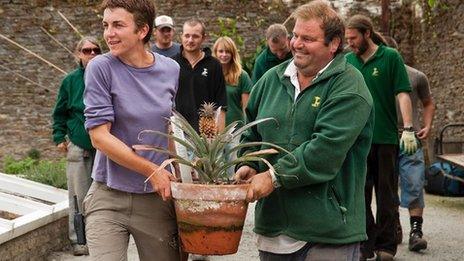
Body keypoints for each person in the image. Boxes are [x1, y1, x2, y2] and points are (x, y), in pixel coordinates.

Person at [235, 1, 374, 260]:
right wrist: (249, 164)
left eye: (308, 38)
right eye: (295, 36)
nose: (296, 44)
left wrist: (273, 177)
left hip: (326, 234)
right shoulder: (271, 80)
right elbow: (251, 133)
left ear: (333, 44)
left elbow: (325, 150)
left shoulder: (349, 86)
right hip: (273, 232)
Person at [83, 0, 180, 260]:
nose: (108, 33)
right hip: (108, 196)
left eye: (118, 25)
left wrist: (183, 177)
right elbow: (99, 136)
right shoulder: (100, 68)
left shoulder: (171, 70)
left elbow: (167, 127)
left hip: (156, 200)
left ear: (142, 31)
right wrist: (152, 170)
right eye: (106, 25)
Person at [345, 15, 418, 260]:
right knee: (359, 196)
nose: (350, 43)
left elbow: (403, 93)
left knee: (386, 195)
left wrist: (408, 128)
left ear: (367, 34)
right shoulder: (347, 61)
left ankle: (386, 246)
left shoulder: (390, 57)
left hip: (385, 139)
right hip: (356, 141)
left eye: (353, 38)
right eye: (347, 39)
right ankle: (365, 245)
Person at [384, 36, 435, 252]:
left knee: (413, 182)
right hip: (383, 137)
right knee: (386, 185)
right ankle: (393, 226)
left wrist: (428, 124)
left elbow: (428, 102)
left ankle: (416, 232)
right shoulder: (374, 76)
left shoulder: (416, 76)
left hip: (410, 137)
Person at [52, 36, 100, 256]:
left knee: (102, 196)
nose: (91, 54)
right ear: (78, 54)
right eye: (86, 51)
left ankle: (99, 238)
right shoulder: (70, 81)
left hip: (104, 148)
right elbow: (60, 112)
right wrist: (60, 136)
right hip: (79, 146)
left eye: (95, 51)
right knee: (77, 197)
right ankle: (79, 241)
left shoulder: (106, 77)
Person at [173, 18, 227, 133]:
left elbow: (222, 105)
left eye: (195, 36)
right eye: (187, 36)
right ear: (181, 36)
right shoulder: (172, 64)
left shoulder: (214, 65)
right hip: (179, 133)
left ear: (204, 38)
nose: (190, 40)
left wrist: (220, 139)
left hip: (206, 133)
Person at [212, 36, 252, 172]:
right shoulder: (210, 74)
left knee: (232, 169)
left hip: (235, 131)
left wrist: (247, 131)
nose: (224, 55)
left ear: (233, 54)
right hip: (214, 132)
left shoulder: (242, 76)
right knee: (215, 170)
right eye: (221, 51)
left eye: (227, 52)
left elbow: (247, 107)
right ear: (215, 52)